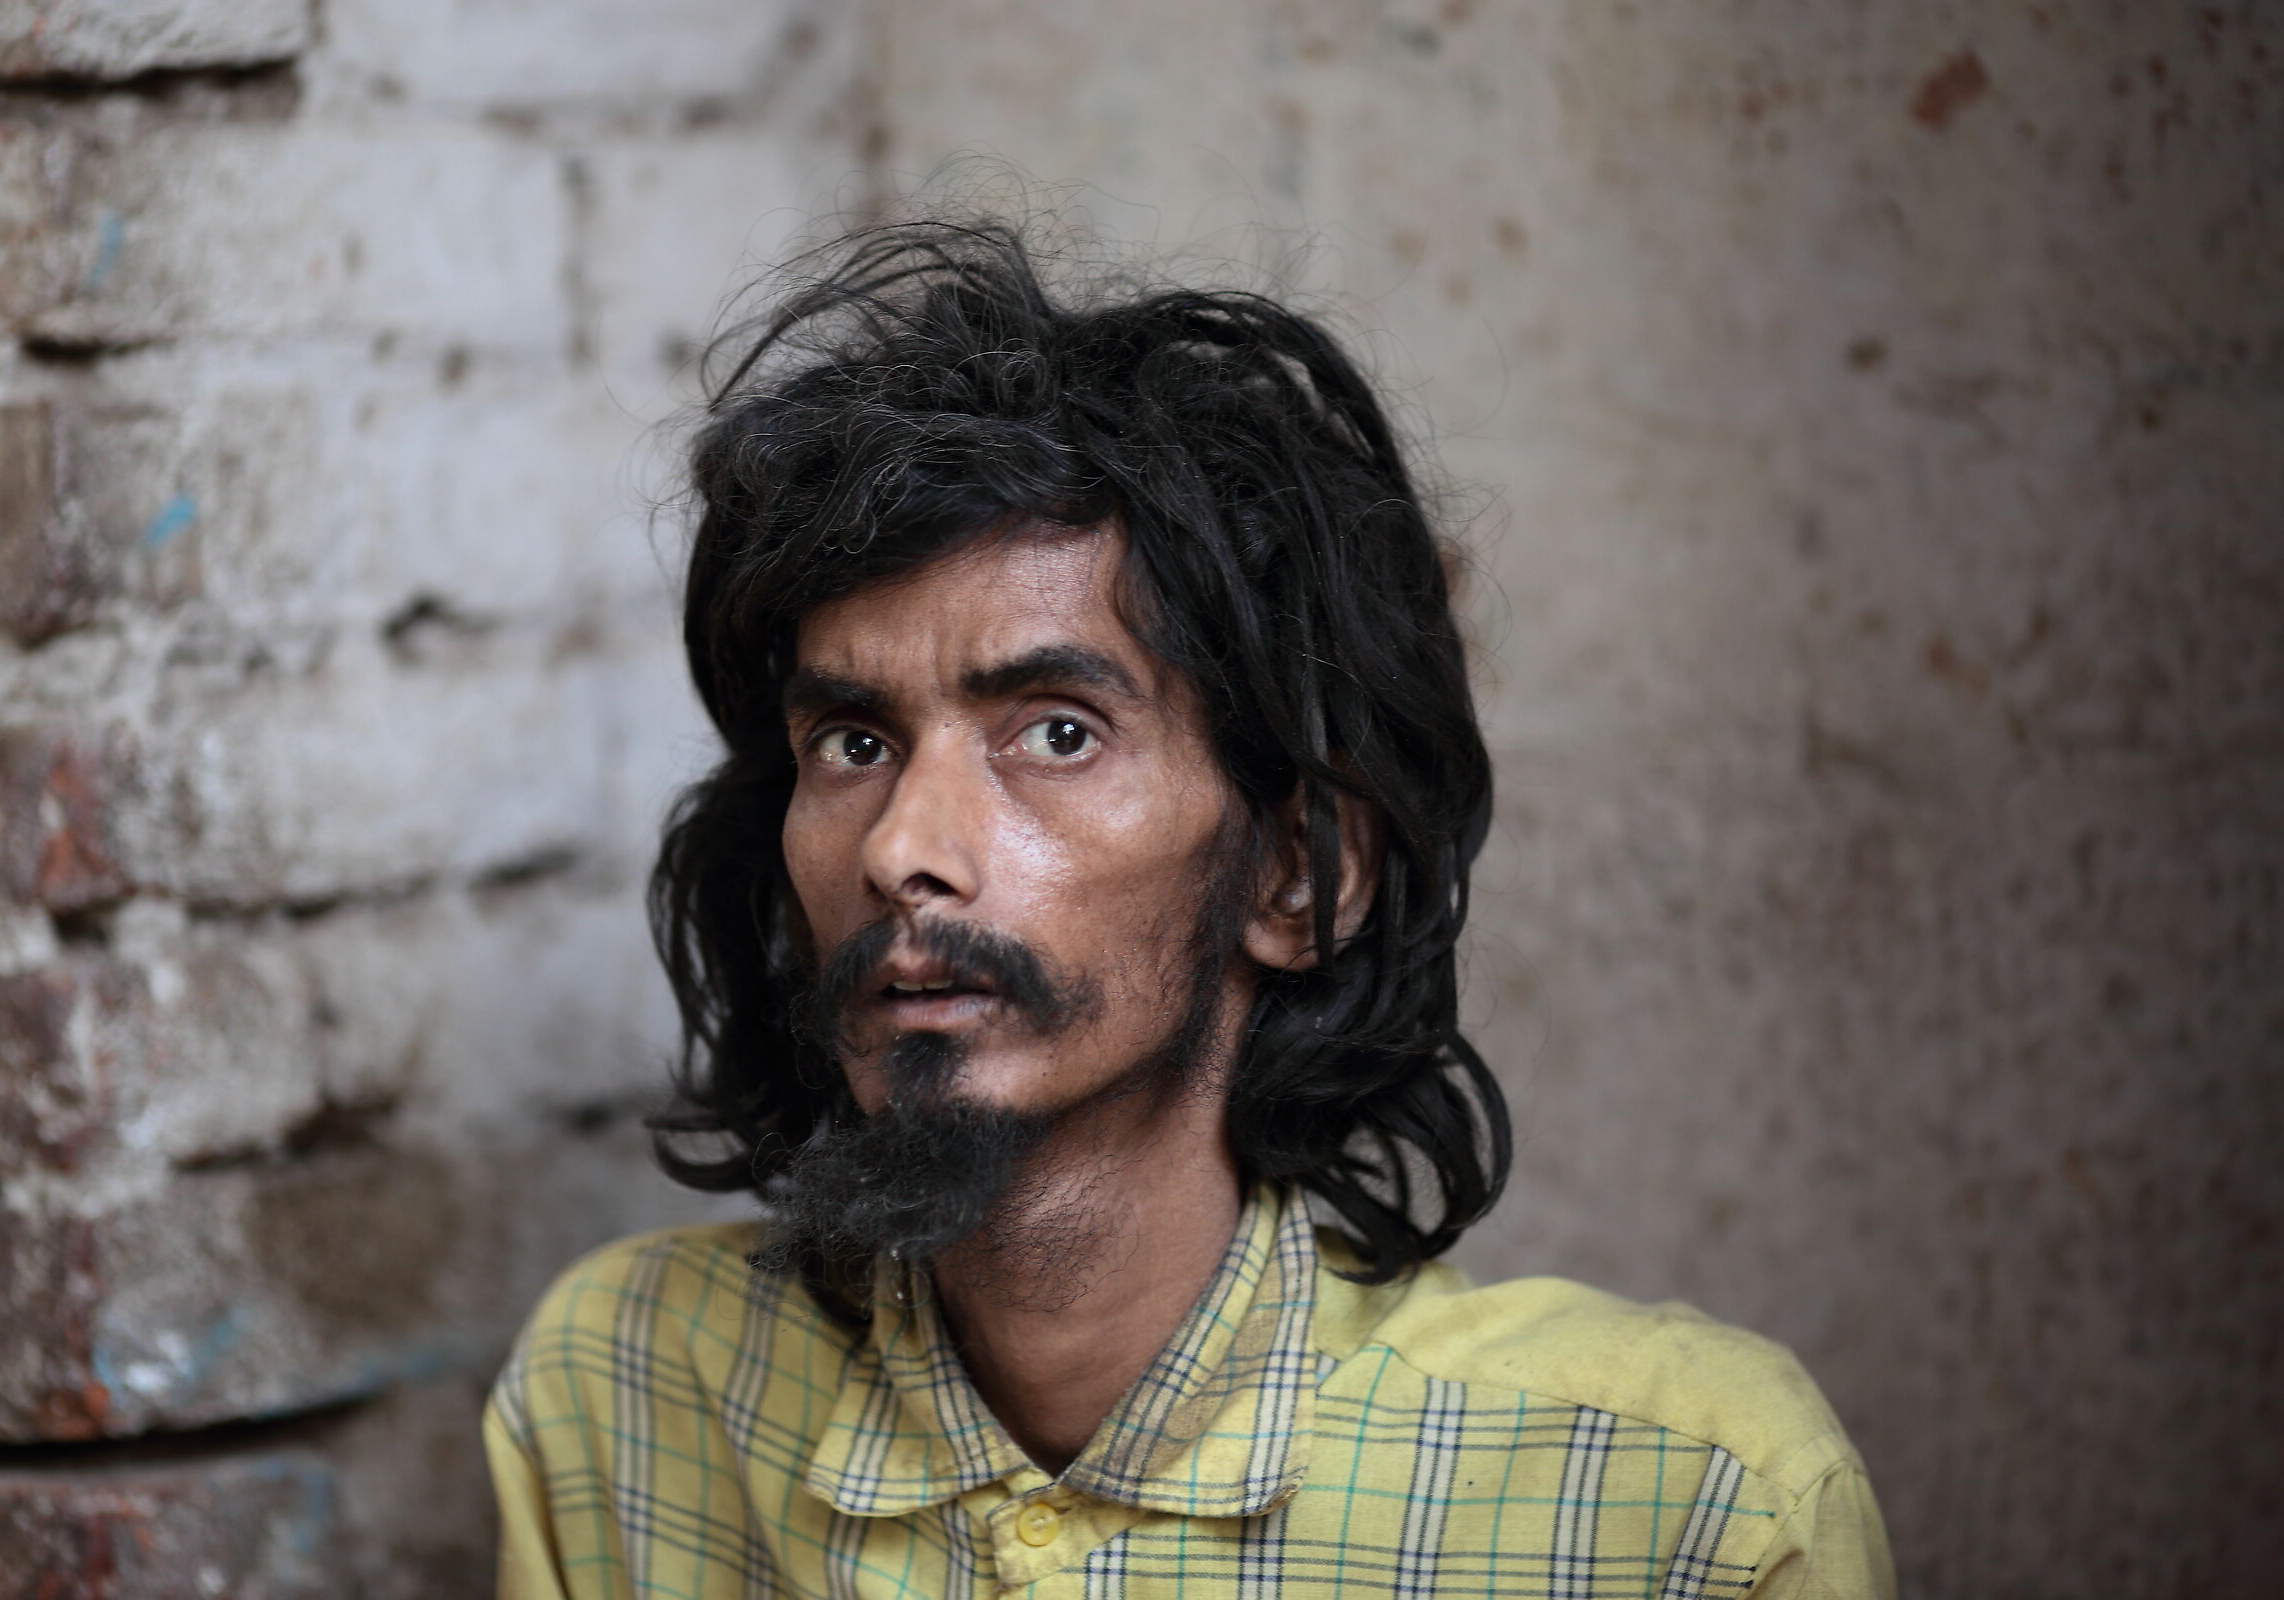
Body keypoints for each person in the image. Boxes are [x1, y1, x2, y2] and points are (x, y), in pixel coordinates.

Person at [483, 220, 1894, 1598]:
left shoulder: (1678, 1507)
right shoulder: (624, 1394)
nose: (904, 845)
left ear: (1302, 875)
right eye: (852, 744)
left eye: (1055, 733)